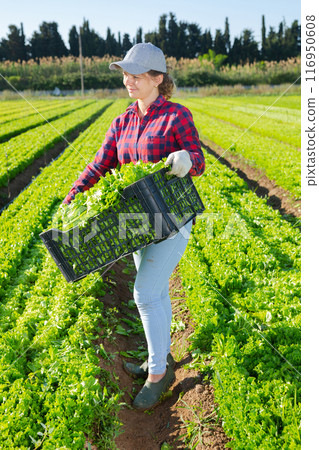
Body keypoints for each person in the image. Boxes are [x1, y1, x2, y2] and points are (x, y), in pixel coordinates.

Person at [63, 43, 205, 410]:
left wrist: (186, 159)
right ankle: (159, 357)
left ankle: (158, 374)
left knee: (143, 294)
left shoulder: (176, 116)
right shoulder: (123, 120)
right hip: (137, 225)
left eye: (136, 74)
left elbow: (199, 160)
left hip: (171, 221)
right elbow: (99, 166)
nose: (128, 80)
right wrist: (71, 199)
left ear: (158, 79)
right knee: (155, 295)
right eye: (125, 73)